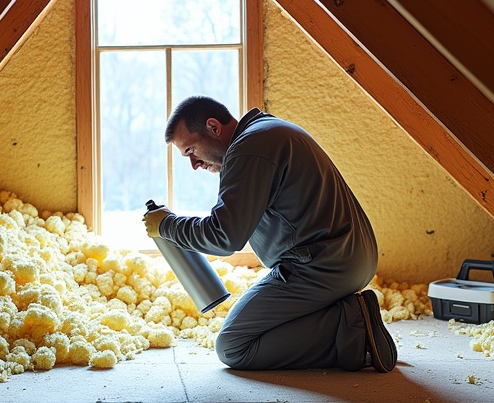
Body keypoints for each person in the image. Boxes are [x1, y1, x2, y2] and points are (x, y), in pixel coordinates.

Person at [143, 96, 396, 372]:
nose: (193, 164)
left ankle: (354, 333)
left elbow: (224, 237)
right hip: (349, 258)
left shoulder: (249, 150)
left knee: (234, 346)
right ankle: (346, 316)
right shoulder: (264, 132)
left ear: (214, 127)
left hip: (322, 265)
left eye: (191, 150)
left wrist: (167, 226)